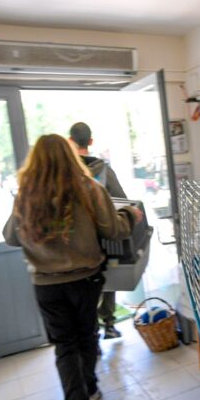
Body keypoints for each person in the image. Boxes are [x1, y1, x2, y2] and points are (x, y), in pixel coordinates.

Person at [3, 134, 141, 400]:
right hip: (84, 279)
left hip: (46, 284)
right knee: (87, 335)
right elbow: (114, 229)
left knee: (64, 346)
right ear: (71, 157)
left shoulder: (26, 195)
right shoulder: (88, 188)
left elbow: (11, 237)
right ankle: (90, 387)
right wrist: (130, 214)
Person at [69, 121, 128, 340]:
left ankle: (90, 330)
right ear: (90, 141)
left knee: (84, 286)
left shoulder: (67, 171)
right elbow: (122, 199)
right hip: (104, 235)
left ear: (71, 142)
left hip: (76, 241)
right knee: (107, 278)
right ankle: (110, 324)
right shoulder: (103, 169)